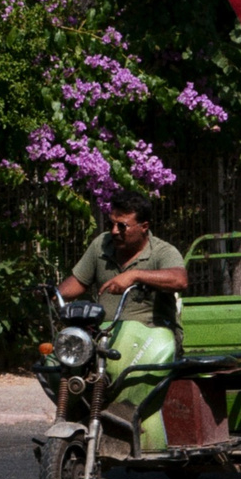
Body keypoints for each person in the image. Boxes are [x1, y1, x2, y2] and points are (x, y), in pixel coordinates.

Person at [58, 188, 191, 445]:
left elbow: (179, 279)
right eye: (112, 224)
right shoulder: (101, 245)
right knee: (59, 354)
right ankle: (77, 416)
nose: (115, 231)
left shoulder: (162, 251)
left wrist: (135, 275)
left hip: (153, 335)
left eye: (122, 226)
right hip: (105, 336)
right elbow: (78, 281)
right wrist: (54, 297)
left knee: (133, 334)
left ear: (144, 227)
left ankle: (126, 414)